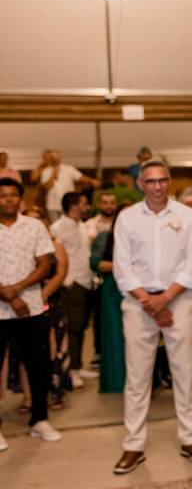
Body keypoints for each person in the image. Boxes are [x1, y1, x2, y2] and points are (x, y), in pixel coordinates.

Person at [112, 159, 192, 474]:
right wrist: (149, 301)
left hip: (178, 300)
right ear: (140, 183)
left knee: (184, 371)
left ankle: (190, 438)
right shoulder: (127, 218)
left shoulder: (187, 215)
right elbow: (122, 266)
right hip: (138, 303)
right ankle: (134, 444)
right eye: (151, 181)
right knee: (138, 376)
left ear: (170, 182)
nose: (157, 186)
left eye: (163, 180)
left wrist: (165, 299)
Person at [0, 178, 62, 452]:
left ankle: (40, 419)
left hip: (32, 309)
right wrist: (9, 296)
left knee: (38, 366)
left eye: (13, 195)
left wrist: (17, 289)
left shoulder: (34, 226)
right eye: (3, 195)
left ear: (20, 199)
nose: (8, 199)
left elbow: (45, 264)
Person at [23, 207, 71, 410]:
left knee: (53, 348)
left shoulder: (55, 244)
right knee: (25, 351)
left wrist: (41, 296)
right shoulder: (20, 244)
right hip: (23, 302)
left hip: (49, 301)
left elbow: (60, 273)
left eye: (38, 219)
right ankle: (28, 396)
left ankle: (55, 390)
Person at [50, 192, 95, 389]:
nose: (87, 206)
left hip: (86, 281)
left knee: (82, 325)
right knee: (73, 328)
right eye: (84, 203)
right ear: (75, 205)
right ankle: (71, 370)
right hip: (71, 281)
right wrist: (66, 281)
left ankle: (78, 365)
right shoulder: (58, 227)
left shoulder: (81, 225)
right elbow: (54, 255)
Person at [90, 204, 128, 394]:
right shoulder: (105, 237)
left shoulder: (141, 237)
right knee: (114, 335)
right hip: (113, 291)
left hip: (138, 291)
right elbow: (96, 263)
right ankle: (116, 381)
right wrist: (124, 266)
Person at [40, 151, 100, 222]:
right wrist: (53, 174)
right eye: (52, 157)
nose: (54, 159)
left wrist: (92, 181)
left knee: (71, 223)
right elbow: (46, 187)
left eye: (56, 156)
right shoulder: (46, 171)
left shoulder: (69, 168)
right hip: (52, 205)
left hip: (69, 204)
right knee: (55, 225)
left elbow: (80, 177)